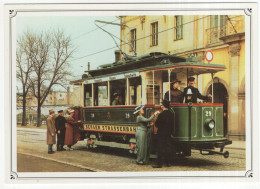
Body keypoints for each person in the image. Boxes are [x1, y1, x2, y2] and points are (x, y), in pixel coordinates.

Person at [153, 99, 174, 168]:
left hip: (161, 134)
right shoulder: (171, 113)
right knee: (168, 148)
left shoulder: (161, 114)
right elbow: (172, 125)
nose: (161, 105)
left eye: (162, 104)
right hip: (168, 134)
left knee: (160, 148)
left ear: (163, 106)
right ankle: (168, 163)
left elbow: (156, 124)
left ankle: (159, 164)